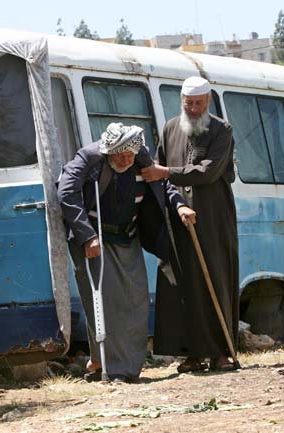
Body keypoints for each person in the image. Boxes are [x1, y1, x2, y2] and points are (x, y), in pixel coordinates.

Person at [57, 122, 194, 383]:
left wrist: (179, 206)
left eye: (129, 155)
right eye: (120, 155)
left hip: (128, 236)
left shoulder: (140, 157)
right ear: (108, 151)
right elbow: (67, 193)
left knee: (135, 301)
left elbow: (162, 184)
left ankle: (128, 367)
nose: (125, 160)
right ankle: (110, 367)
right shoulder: (88, 158)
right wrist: (88, 236)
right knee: (102, 303)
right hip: (95, 238)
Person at [140, 76, 239, 373]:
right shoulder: (171, 128)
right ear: (181, 101)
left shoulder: (222, 130)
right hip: (177, 218)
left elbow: (207, 172)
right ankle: (192, 353)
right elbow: (158, 178)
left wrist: (168, 173)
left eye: (198, 103)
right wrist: (179, 203)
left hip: (212, 217)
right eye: (188, 103)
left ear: (207, 102)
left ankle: (221, 352)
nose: (193, 109)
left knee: (214, 279)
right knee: (182, 284)